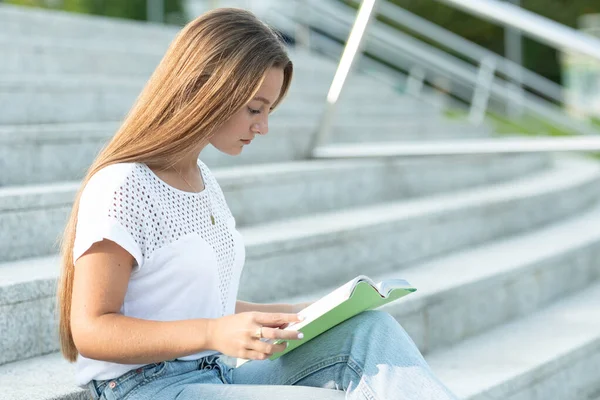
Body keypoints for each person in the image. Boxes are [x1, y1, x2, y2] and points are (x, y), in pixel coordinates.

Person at [56, 7, 458, 400]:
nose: (263, 126)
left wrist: (311, 313)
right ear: (205, 89)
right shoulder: (122, 185)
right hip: (143, 386)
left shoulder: (203, 181)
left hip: (214, 374)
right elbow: (90, 330)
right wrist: (214, 332)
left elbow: (193, 300)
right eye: (255, 109)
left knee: (371, 330)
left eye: (268, 111)